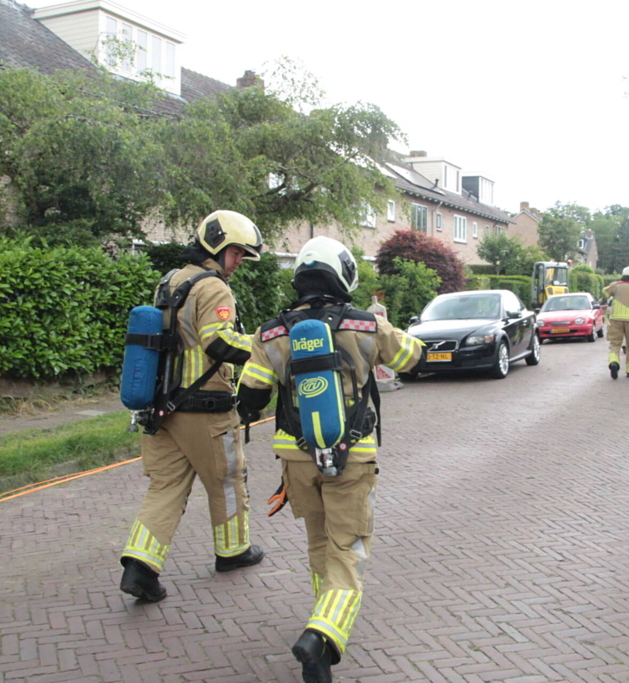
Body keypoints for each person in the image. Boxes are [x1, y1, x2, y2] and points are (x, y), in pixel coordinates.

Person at [237, 236, 423, 683]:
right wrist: (383, 322)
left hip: (295, 458)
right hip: (352, 456)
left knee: (319, 543)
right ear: (342, 275)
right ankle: (322, 633)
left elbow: (251, 397)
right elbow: (410, 359)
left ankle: (324, 627)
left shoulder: (271, 332)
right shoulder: (363, 325)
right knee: (349, 549)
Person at [119, 210, 266, 603]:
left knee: (166, 487)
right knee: (228, 480)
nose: (238, 262)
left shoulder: (170, 281)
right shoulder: (214, 287)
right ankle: (234, 551)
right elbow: (218, 342)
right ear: (217, 246)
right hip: (206, 408)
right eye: (236, 253)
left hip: (162, 406)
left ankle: (139, 565)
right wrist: (264, 348)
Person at [603, 266, 629, 379]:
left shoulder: (616, 285)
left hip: (616, 319)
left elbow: (605, 292)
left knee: (615, 344)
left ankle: (614, 363)